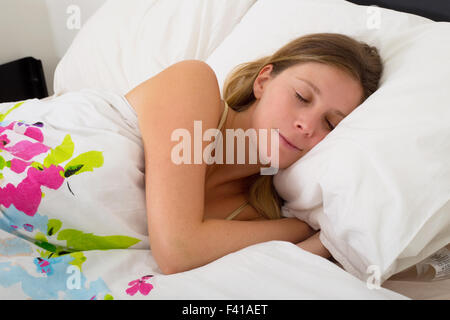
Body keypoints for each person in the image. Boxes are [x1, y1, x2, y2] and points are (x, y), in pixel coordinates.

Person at [125, 33, 383, 274]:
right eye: (302, 97)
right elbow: (177, 250)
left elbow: (258, 283)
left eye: (330, 124)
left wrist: (327, 235)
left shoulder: (251, 217)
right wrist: (304, 228)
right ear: (263, 81)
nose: (306, 125)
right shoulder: (192, 84)